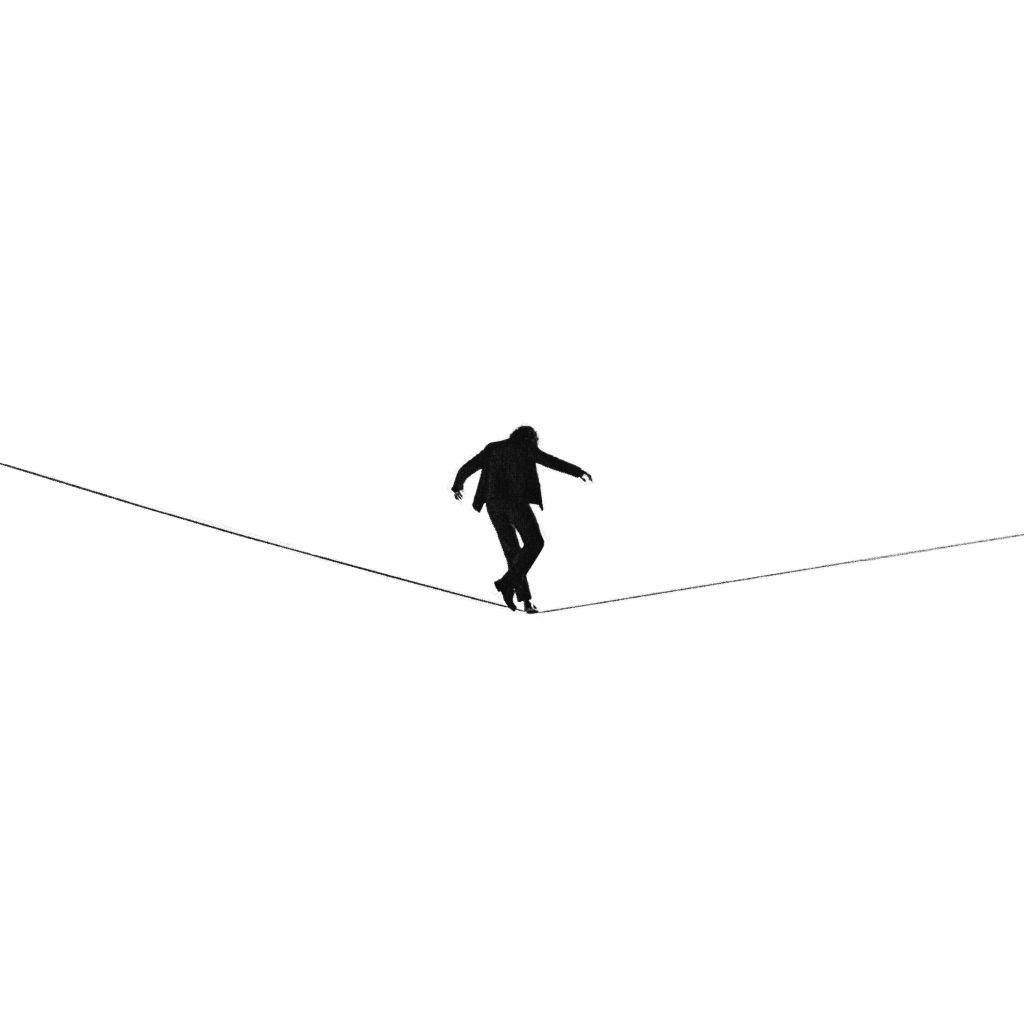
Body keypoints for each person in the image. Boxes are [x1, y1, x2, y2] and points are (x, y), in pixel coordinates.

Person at [452, 426, 593, 612]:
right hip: (515, 503)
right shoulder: (525, 446)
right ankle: (507, 584)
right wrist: (578, 472)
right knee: (535, 542)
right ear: (530, 439)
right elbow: (551, 461)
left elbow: (470, 465)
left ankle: (524, 599)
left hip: (493, 505)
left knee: (513, 551)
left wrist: (458, 485)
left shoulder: (493, 448)